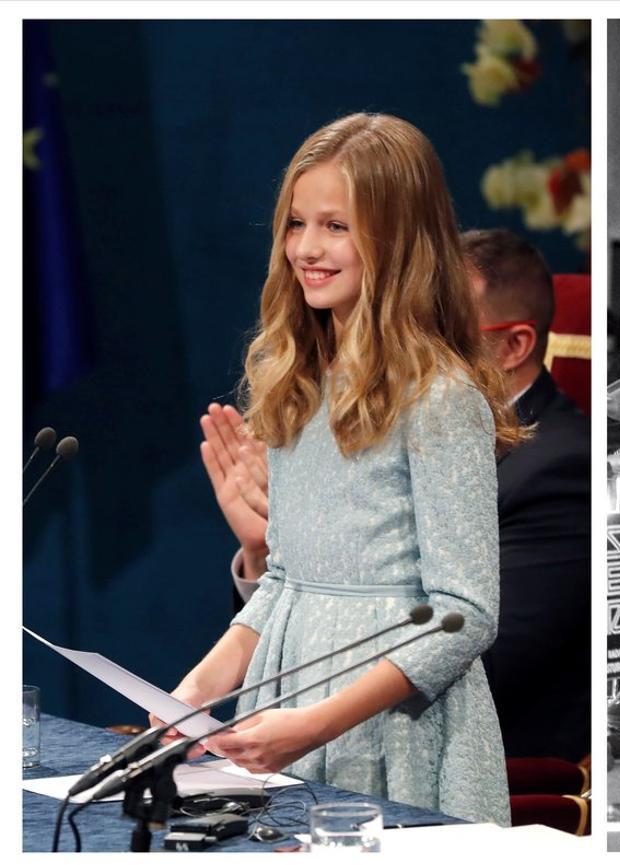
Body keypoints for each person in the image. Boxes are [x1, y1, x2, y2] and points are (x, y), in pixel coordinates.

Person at [159, 113, 517, 824]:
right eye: (296, 224)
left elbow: (465, 614)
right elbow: (285, 579)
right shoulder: (293, 379)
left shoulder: (441, 397)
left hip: (394, 734)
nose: (307, 248)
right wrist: (192, 693)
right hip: (286, 706)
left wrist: (319, 723)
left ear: (399, 239)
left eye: (336, 226)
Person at [461, 228, 591, 763]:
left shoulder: (560, 469)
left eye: (437, 328)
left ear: (513, 345)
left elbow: (481, 674)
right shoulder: (403, 439)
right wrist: (268, 553)